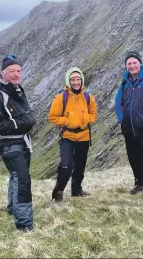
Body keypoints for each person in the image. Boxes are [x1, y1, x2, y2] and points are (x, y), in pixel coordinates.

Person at [0, 54, 36, 232]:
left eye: (18, 71)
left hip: (21, 142)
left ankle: (12, 209)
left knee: (16, 176)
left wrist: (26, 122)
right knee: (22, 179)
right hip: (9, 144)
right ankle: (24, 224)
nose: (16, 74)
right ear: (3, 73)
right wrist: (20, 124)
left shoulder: (17, 89)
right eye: (12, 71)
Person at [48, 67, 97, 202]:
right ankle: (58, 192)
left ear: (81, 80)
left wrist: (88, 119)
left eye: (78, 79)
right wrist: (67, 121)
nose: (76, 82)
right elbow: (52, 117)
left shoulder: (88, 97)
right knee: (66, 165)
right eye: (73, 80)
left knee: (80, 166)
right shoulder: (60, 98)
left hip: (84, 136)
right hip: (68, 136)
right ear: (68, 81)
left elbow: (93, 114)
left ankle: (76, 190)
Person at [115, 50, 143, 194]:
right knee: (135, 158)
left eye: (134, 62)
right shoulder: (124, 83)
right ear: (126, 66)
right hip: (129, 130)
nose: (132, 66)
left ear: (140, 63)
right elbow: (118, 103)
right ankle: (140, 183)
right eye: (129, 63)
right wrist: (123, 121)